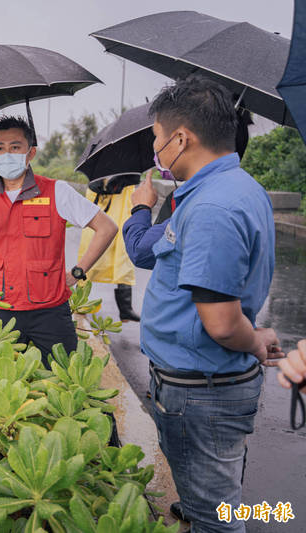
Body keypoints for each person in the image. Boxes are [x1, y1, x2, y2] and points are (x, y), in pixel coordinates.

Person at [139, 76, 282, 533]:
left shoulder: (213, 208)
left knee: (217, 520)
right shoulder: (235, 188)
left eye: (157, 138)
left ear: (182, 138)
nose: (156, 150)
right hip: (204, 388)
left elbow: (221, 323)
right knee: (217, 496)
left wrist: (255, 338)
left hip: (200, 394)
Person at [0, 115, 117, 366]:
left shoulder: (56, 191)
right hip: (2, 311)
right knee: (4, 386)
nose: (6, 153)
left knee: (65, 380)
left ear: (30, 152)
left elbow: (107, 228)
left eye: (15, 147)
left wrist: (78, 272)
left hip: (51, 312)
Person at [124, 109, 253, 269]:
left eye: (157, 135)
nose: (155, 146)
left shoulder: (203, 206)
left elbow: (142, 252)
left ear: (181, 140)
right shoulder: (248, 191)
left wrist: (141, 207)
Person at [77, 174, 141, 321]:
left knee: (122, 253)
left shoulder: (127, 163)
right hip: (98, 199)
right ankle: (79, 304)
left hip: (122, 197)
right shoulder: (98, 162)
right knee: (90, 249)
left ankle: (125, 309)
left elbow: (133, 178)